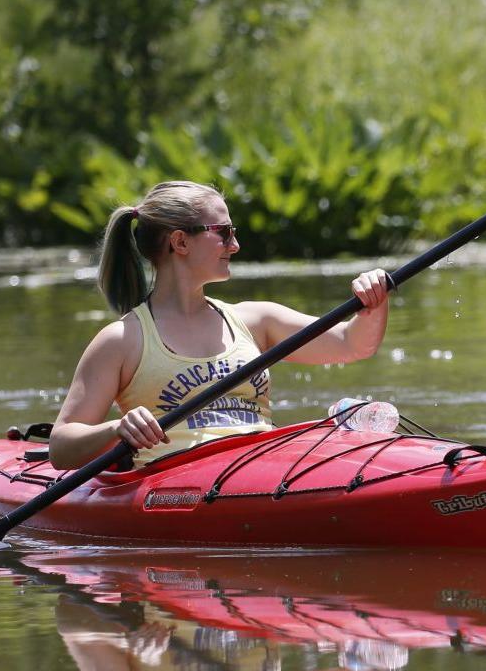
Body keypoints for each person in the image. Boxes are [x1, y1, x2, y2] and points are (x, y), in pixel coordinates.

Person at [49, 180, 393, 469]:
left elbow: (353, 344)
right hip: (177, 483)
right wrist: (116, 428)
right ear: (180, 242)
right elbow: (61, 448)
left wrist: (373, 301)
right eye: (224, 233)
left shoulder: (257, 320)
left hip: (264, 466)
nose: (236, 245)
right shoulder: (121, 341)